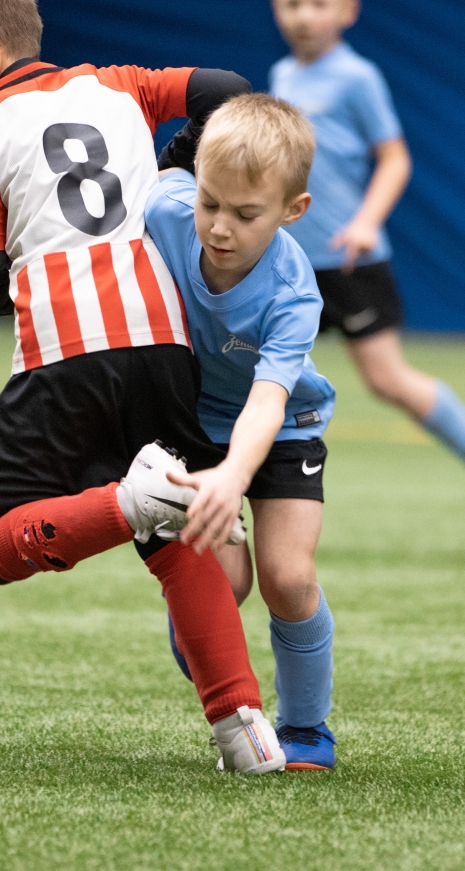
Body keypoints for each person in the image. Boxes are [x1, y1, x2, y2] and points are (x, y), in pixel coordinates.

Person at [0, 0, 284, 774]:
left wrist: (22, 282)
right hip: (163, 347)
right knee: (177, 542)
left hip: (63, 355)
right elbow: (226, 88)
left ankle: (125, 500)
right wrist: (173, 165)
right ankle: (244, 728)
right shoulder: (118, 86)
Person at [269, 0, 465, 548]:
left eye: (317, 3)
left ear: (348, 9)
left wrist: (365, 222)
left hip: (350, 262)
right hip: (291, 263)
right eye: (292, 3)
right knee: (259, 373)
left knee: (387, 380)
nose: (304, 15)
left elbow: (395, 158)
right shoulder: (283, 75)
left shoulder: (357, 77)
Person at [147, 91, 341, 770]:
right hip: (193, 429)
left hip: (283, 427)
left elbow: (267, 401)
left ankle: (307, 728)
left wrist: (233, 474)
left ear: (294, 210)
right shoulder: (165, 210)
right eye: (210, 203)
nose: (220, 228)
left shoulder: (294, 293)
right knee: (223, 586)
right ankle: (199, 624)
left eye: (245, 214)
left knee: (287, 577)